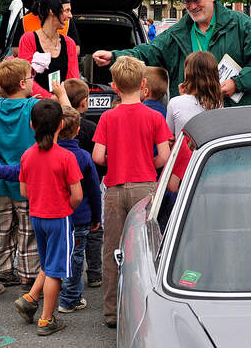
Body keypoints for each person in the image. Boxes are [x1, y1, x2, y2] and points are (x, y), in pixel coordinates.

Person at [93, 0, 251, 107]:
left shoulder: (242, 25)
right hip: (197, 116)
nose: (192, 6)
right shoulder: (177, 33)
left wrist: (237, 83)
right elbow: (148, 52)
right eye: (187, 1)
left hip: (239, 113)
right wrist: (115, 56)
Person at [92, 56, 171, 328]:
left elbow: (98, 156)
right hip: (145, 187)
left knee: (112, 249)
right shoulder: (154, 116)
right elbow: (165, 155)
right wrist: (148, 164)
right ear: (144, 84)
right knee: (146, 249)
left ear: (114, 86)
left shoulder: (107, 117)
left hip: (115, 187)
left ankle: (112, 310)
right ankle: (146, 304)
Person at [0, 58, 67, 298]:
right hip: (28, 182)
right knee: (28, 234)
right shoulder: (32, 108)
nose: (33, 82)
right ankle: (28, 278)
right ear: (21, 83)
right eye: (30, 78)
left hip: (0, 181)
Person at [12, 99, 83, 336]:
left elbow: (23, 191)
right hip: (59, 217)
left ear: (32, 125)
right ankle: (46, 319)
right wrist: (67, 206)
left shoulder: (27, 155)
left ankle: (33, 300)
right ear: (61, 125)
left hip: (37, 215)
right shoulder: (66, 157)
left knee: (48, 263)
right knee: (55, 270)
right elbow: (77, 195)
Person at [56, 106, 101, 314]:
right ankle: (70, 297)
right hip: (80, 216)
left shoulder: (48, 153)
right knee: (75, 256)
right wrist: (96, 216)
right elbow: (93, 190)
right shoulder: (83, 157)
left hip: (53, 214)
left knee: (54, 253)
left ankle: (54, 290)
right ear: (77, 130)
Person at [62, 78, 103, 288]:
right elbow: (98, 159)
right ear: (85, 102)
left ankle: (63, 275)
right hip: (88, 188)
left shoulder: (58, 131)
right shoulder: (91, 127)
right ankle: (95, 272)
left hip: (64, 194)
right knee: (94, 233)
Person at [18, 0, 79, 99]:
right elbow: (25, 78)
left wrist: (63, 99)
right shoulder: (29, 39)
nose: (70, 15)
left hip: (61, 106)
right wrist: (51, 98)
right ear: (52, 11)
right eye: (67, 11)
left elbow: (73, 80)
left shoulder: (69, 43)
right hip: (34, 106)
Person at [13, 0, 81, 56]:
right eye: (42, 5)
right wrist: (40, 58)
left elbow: (76, 49)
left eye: (47, 5)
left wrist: (57, 57)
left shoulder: (66, 20)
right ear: (36, 5)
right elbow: (15, 51)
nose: (44, 8)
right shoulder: (25, 21)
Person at [167, 51, 223, 137]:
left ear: (187, 74)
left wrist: (183, 97)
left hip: (185, 150)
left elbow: (170, 136)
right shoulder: (218, 104)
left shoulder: (174, 103)